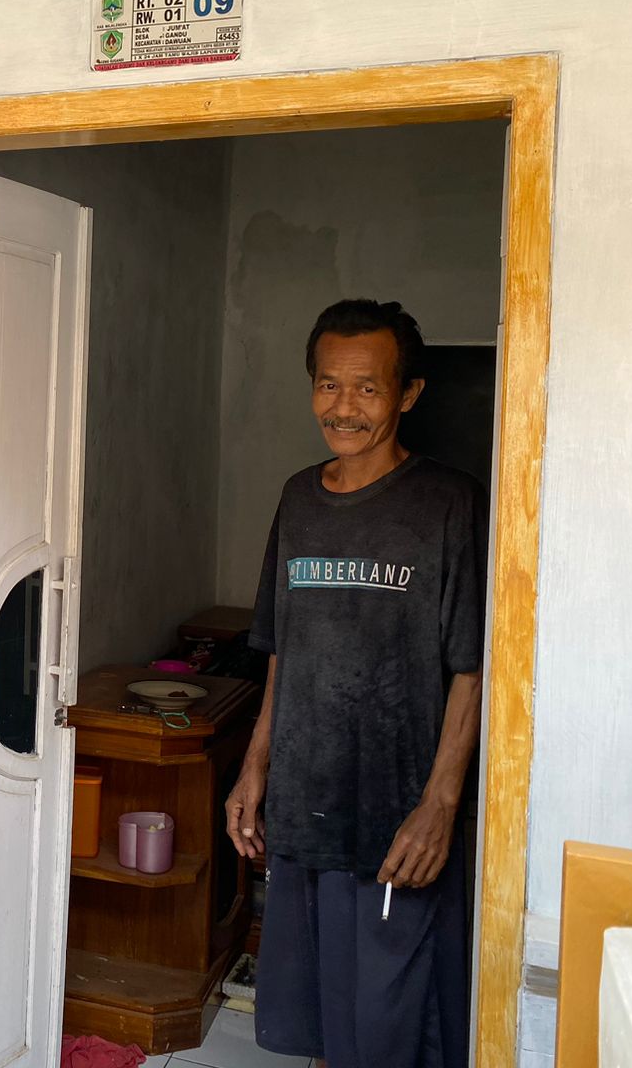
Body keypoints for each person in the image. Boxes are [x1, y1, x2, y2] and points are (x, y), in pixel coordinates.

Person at [225, 299, 486, 1068]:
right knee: (321, 1017)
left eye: (368, 388)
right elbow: (282, 648)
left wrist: (439, 807)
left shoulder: (449, 503)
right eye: (329, 385)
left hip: (398, 815)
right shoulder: (299, 499)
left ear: (408, 395)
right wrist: (254, 768)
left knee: (394, 1026)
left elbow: (472, 667)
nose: (344, 407)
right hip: (307, 808)